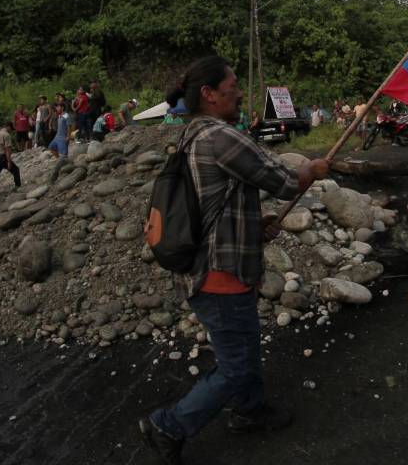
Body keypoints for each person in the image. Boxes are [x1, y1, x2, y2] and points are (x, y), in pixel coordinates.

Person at [138, 56, 330, 462]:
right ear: (209, 95)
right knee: (237, 365)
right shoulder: (221, 136)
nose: (241, 93)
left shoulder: (192, 135)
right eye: (233, 87)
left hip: (215, 264)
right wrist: (313, 168)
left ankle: (250, 410)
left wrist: (252, 225)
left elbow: (212, 200)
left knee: (242, 348)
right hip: (219, 274)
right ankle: (168, 425)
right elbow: (284, 182)